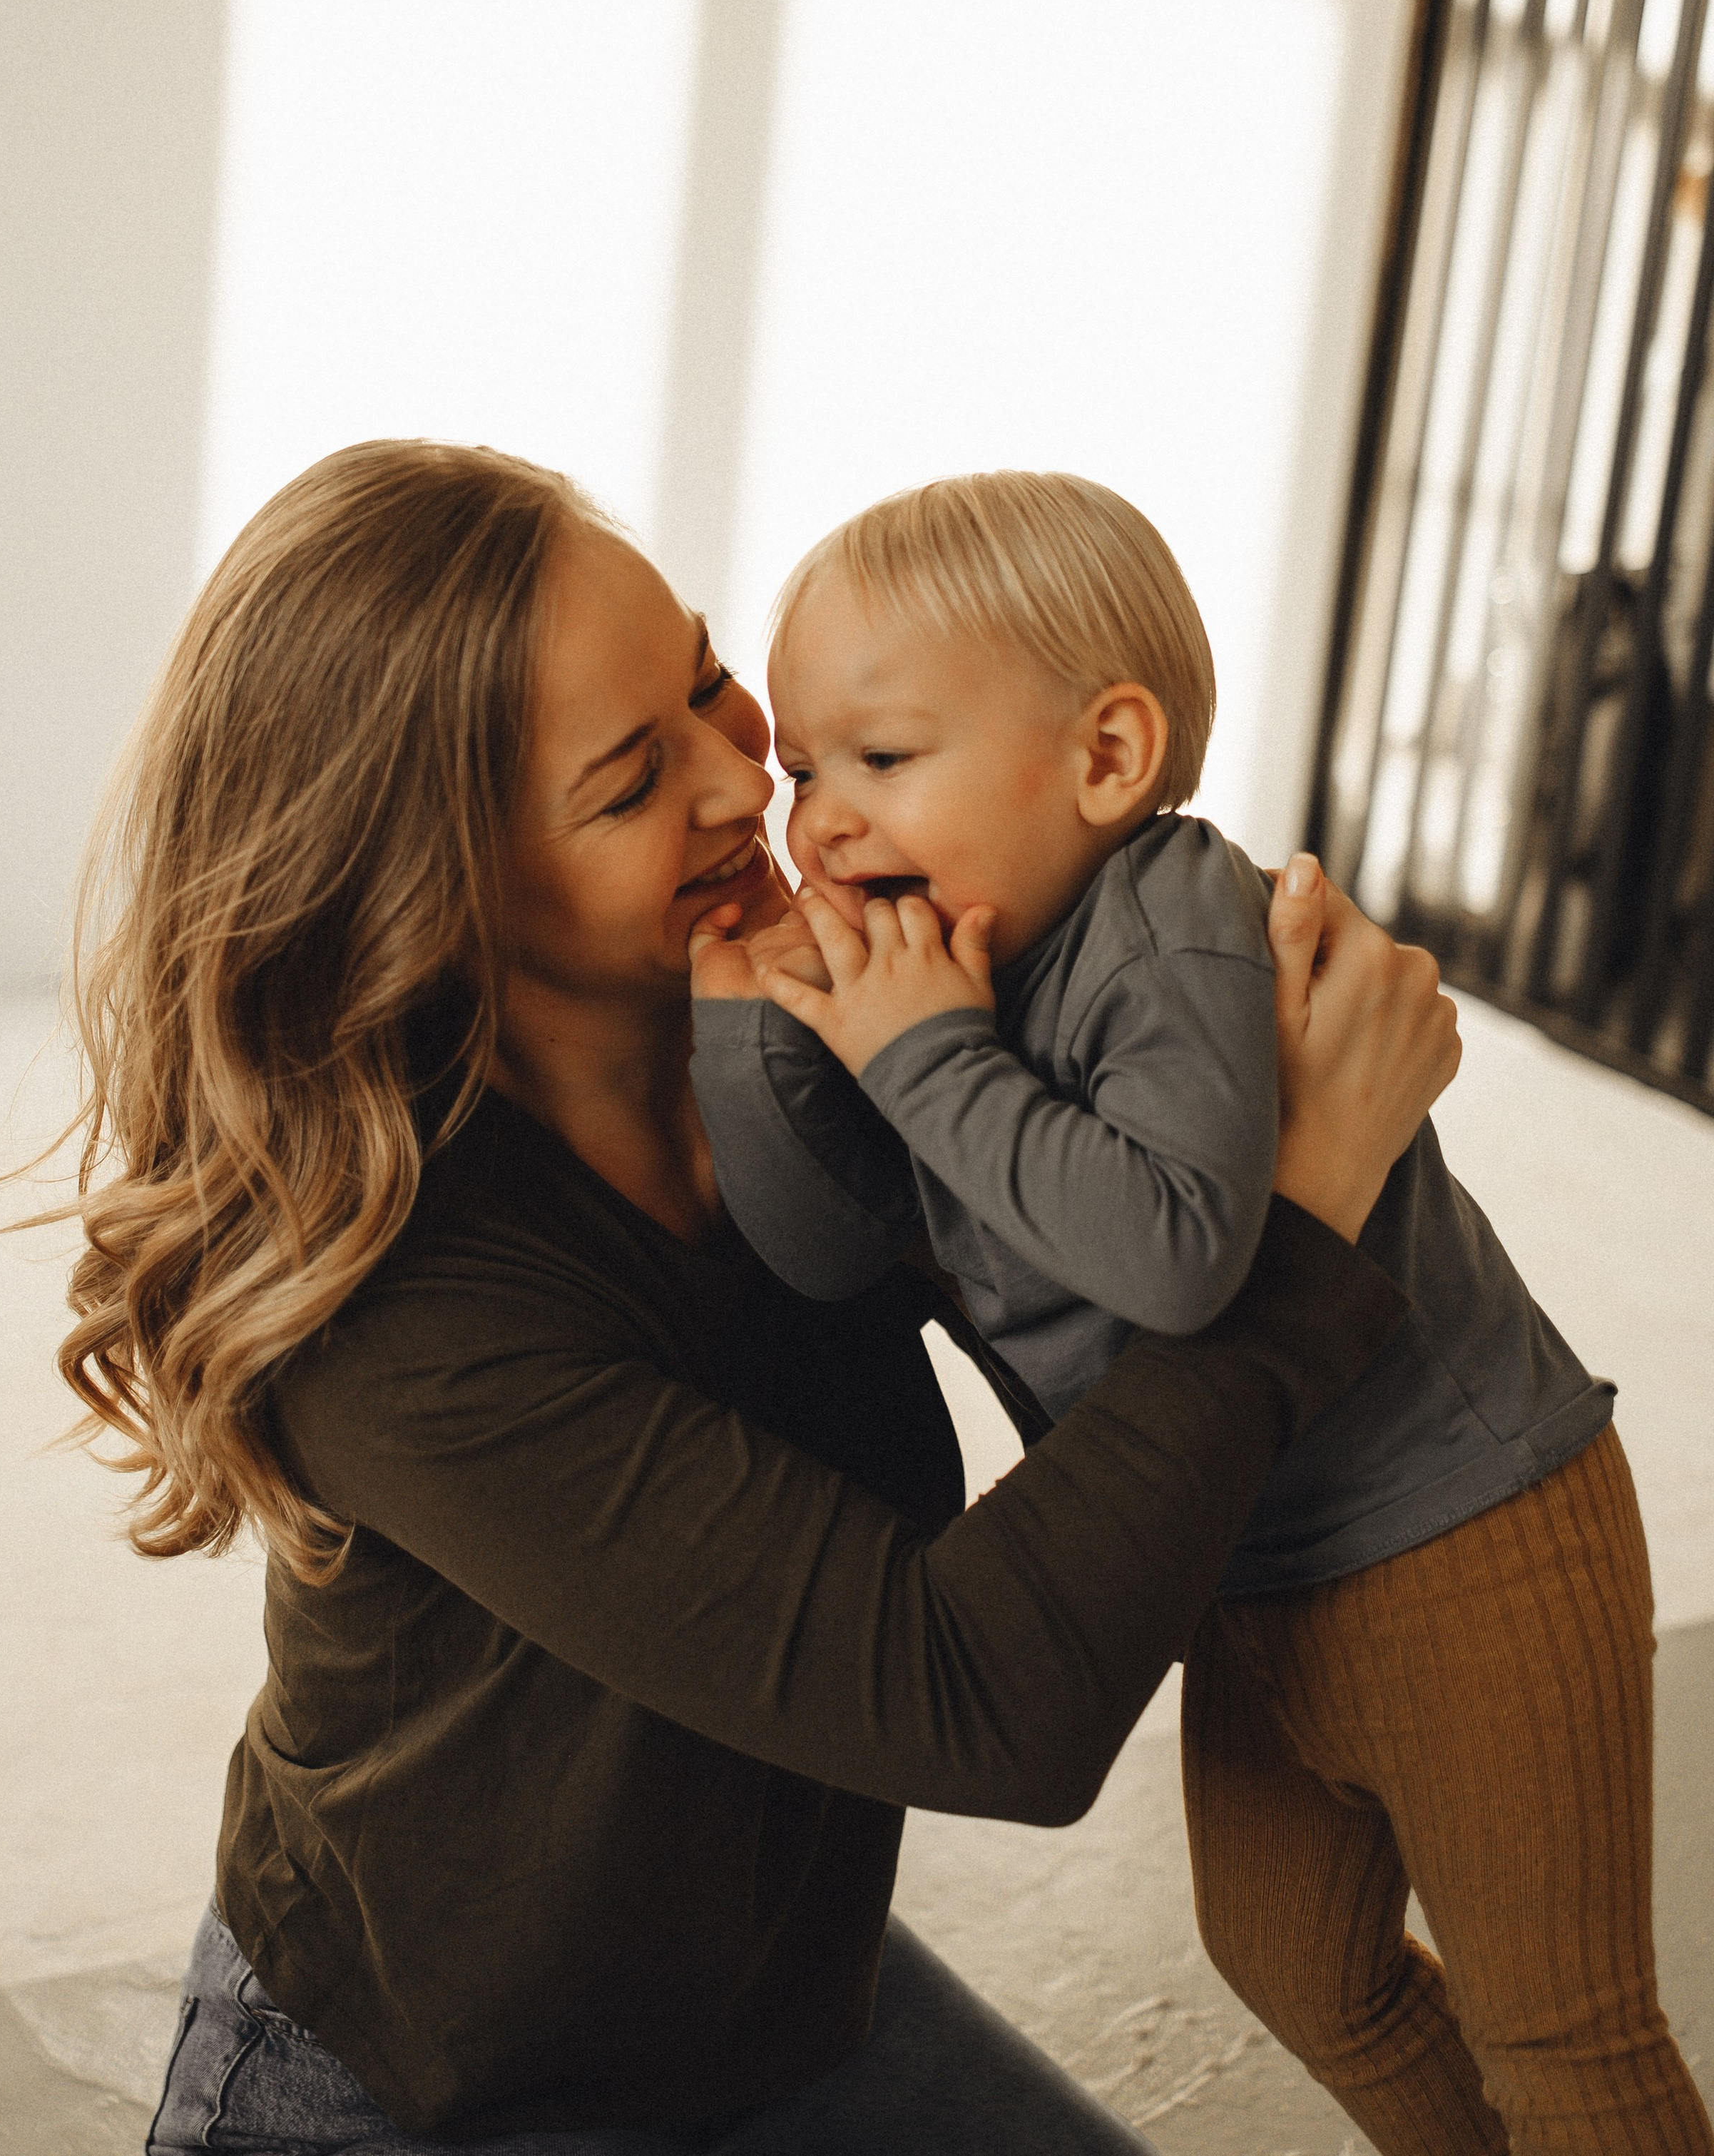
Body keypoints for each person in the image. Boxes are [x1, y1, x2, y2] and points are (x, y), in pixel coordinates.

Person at [55, 439, 1452, 2156]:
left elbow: (1113, 1245)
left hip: (776, 2005)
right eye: (634, 780)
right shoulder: (403, 1307)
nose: (748, 781)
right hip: (436, 2091)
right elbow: (983, 1695)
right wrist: (1299, 1225)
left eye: (711, 679)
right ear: (442, 891)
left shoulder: (829, 1021)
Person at [688, 468, 1710, 2156]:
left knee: (1565, 2034)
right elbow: (819, 1249)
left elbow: (1175, 1250)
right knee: (1298, 1964)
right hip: (1243, 1562)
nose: (821, 819)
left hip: (1466, 1535)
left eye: (879, 759)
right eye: (805, 771)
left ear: (1105, 758)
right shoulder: (939, 974)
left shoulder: (1170, 918)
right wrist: (758, 1020)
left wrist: (919, 1056)